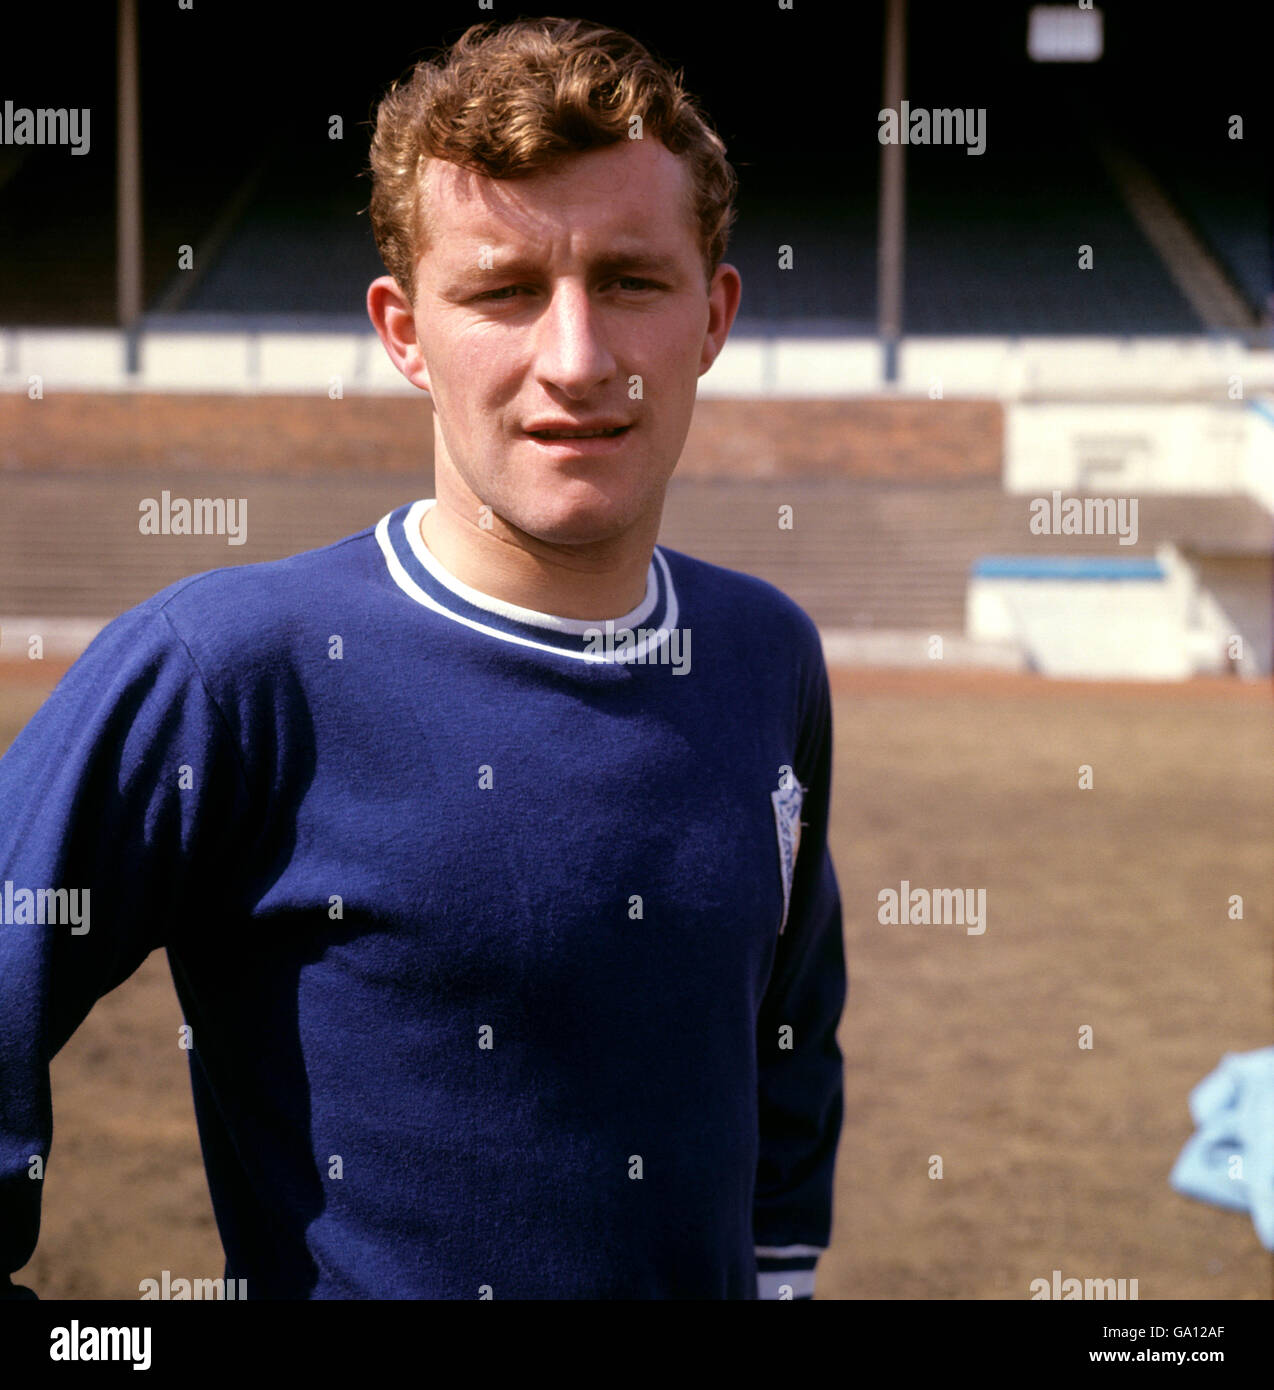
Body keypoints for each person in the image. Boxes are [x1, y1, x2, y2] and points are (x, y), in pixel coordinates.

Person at [0, 15, 846, 1300]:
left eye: (630, 280)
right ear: (404, 331)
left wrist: (779, 1273)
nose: (575, 358)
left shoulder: (761, 652)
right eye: (503, 290)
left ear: (712, 313)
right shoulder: (226, 671)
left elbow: (785, 1025)